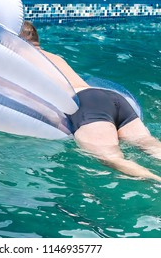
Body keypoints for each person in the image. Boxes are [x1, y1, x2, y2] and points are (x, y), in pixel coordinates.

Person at [20, 20, 161, 182]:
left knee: (111, 158)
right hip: (112, 97)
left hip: (84, 106)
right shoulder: (55, 57)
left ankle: (156, 181)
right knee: (148, 144)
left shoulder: (21, 59)